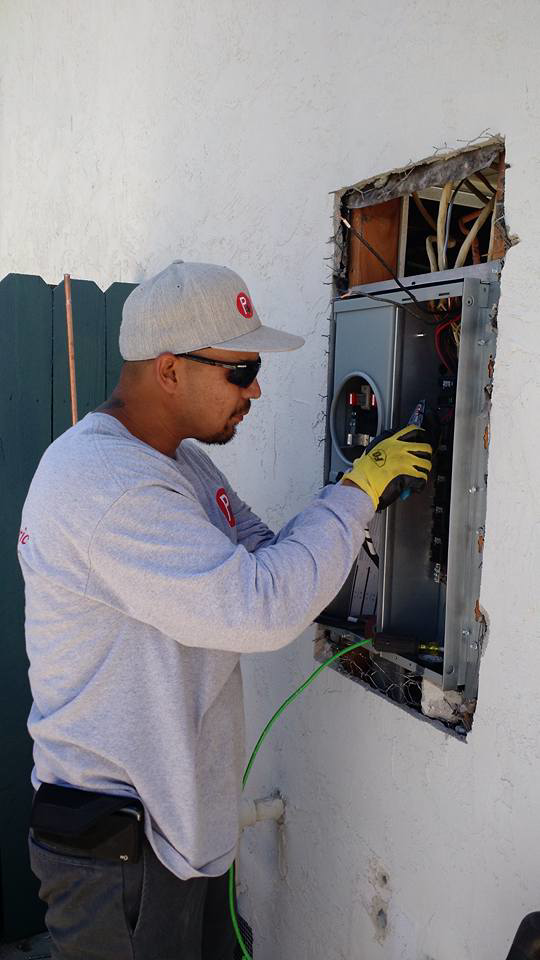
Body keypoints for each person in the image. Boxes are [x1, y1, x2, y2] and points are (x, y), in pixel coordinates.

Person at [18, 260, 432, 960]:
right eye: (239, 371)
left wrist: (347, 507)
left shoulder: (176, 463)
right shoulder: (108, 487)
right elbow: (262, 606)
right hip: (122, 849)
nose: (257, 388)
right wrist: (354, 494)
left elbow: (264, 555)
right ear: (170, 369)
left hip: (173, 834)